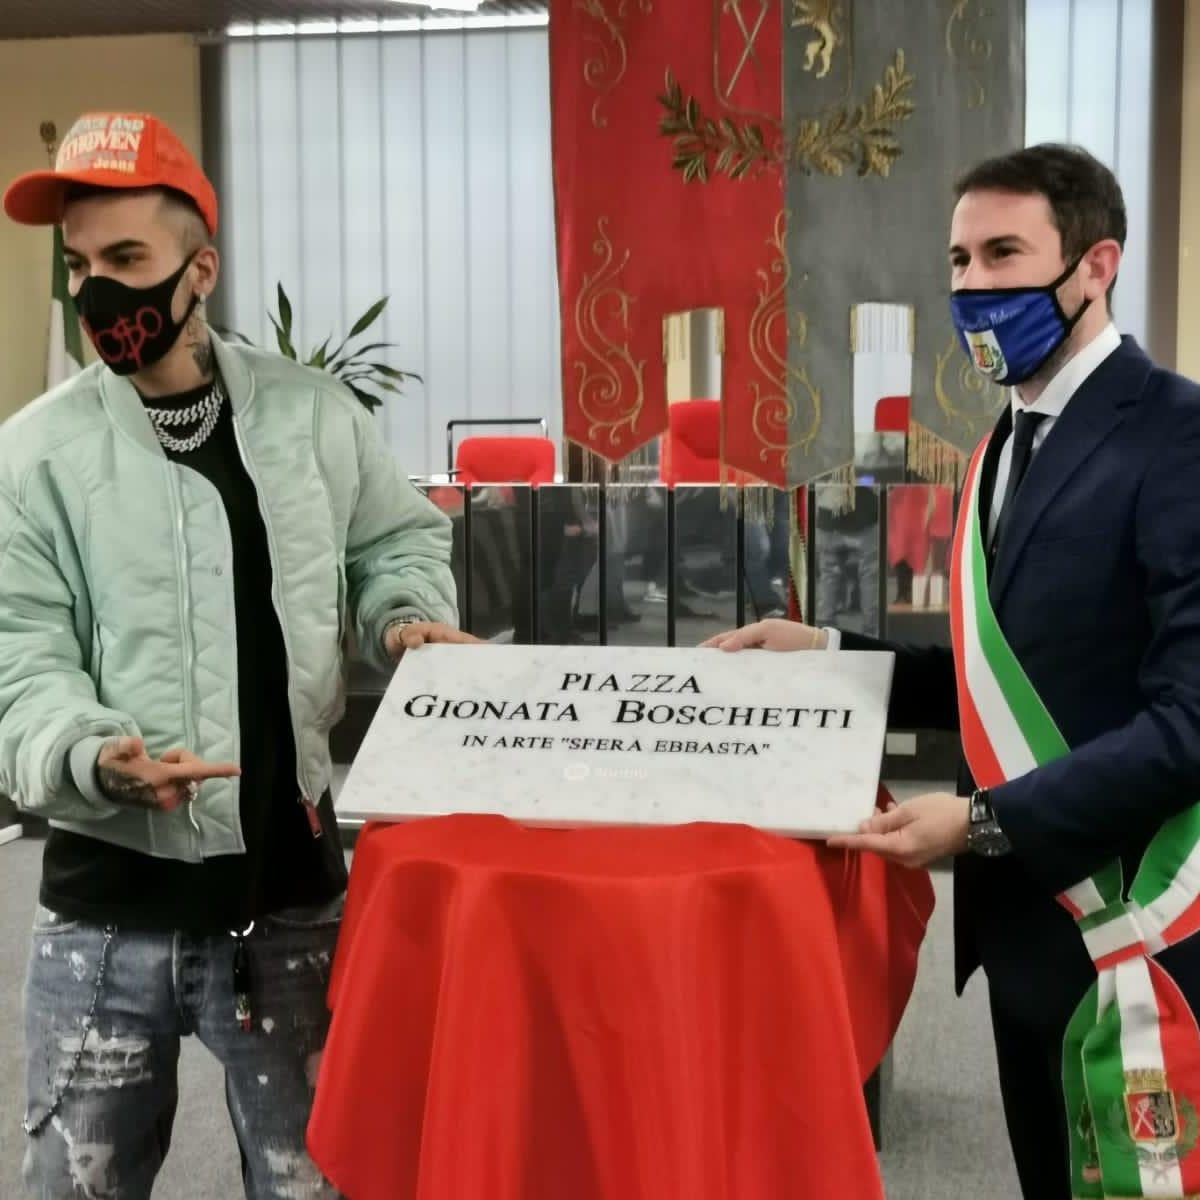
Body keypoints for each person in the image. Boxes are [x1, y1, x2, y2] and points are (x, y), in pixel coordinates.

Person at [705, 144, 1200, 1199]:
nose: (972, 286)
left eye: (1004, 254)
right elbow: (988, 682)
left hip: (1143, 934)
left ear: (1096, 265)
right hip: (1028, 940)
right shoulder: (1001, 447)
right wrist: (825, 654)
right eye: (960, 259)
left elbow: (1191, 723)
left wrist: (978, 824)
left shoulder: (1179, 436)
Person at [1, 111, 476, 1199]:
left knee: (321, 1179)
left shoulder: (314, 417)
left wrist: (402, 614)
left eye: (127, 261)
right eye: (78, 265)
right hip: (103, 917)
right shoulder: (32, 457)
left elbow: (392, 542)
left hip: (289, 901)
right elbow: (18, 658)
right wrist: (91, 753)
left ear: (200, 270)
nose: (96, 294)